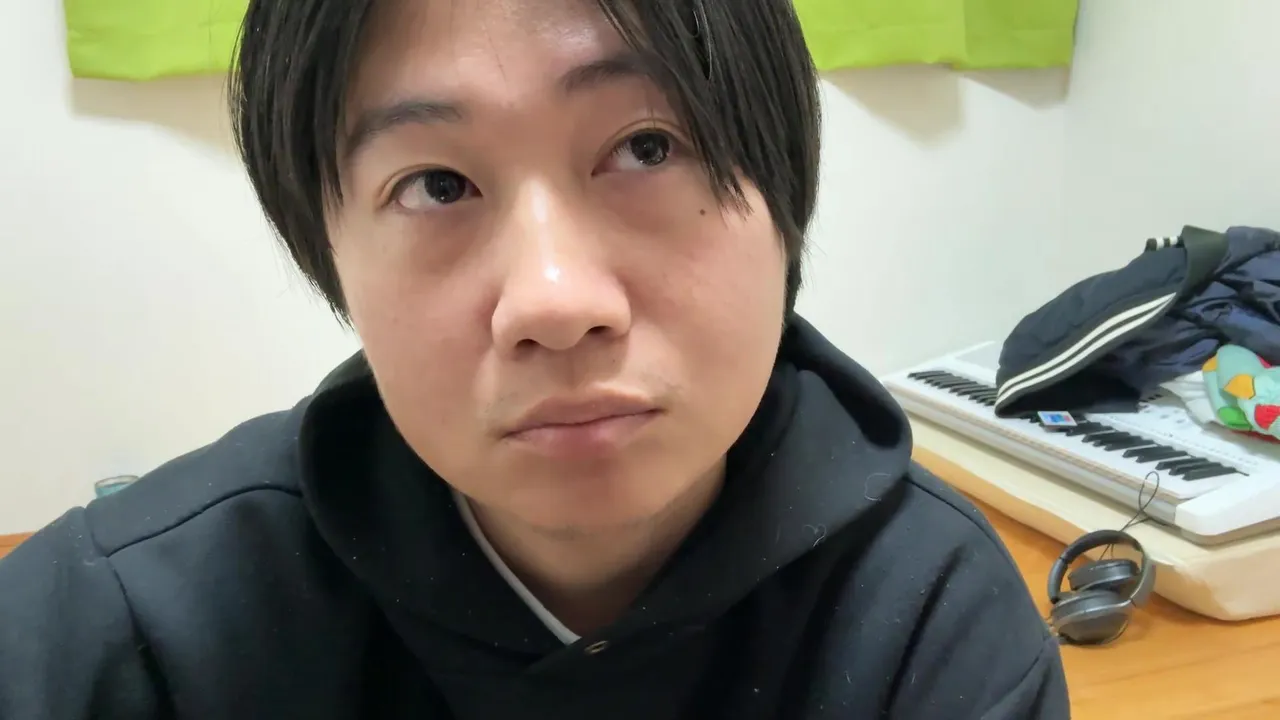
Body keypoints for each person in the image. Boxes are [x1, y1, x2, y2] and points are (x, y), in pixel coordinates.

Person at [0, 0, 1070, 717]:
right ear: (327, 252)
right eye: (436, 184)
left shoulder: (929, 629)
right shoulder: (117, 634)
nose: (555, 302)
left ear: (783, 197)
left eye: (647, 147)